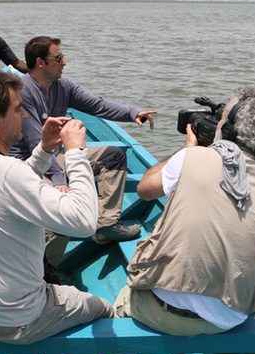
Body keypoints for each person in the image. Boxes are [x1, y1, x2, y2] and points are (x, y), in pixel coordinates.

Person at [103, 85, 255, 354]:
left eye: (223, 116)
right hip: (229, 319)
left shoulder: (193, 157)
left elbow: (144, 189)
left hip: (162, 311)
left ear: (231, 127)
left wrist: (187, 150)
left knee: (123, 301)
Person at [0, 68, 114, 354]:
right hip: (15, 318)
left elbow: (12, 187)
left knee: (30, 310)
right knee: (104, 312)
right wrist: (75, 153)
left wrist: (46, 148)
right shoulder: (9, 172)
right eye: (18, 108)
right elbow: (85, 220)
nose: (25, 116)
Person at [10, 36, 157, 250]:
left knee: (113, 156)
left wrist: (132, 113)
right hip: (31, 163)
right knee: (60, 207)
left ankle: (105, 225)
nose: (64, 63)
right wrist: (60, 179)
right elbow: (36, 143)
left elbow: (98, 105)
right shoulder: (24, 91)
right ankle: (46, 268)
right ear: (40, 63)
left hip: (56, 155)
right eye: (58, 58)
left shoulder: (63, 85)